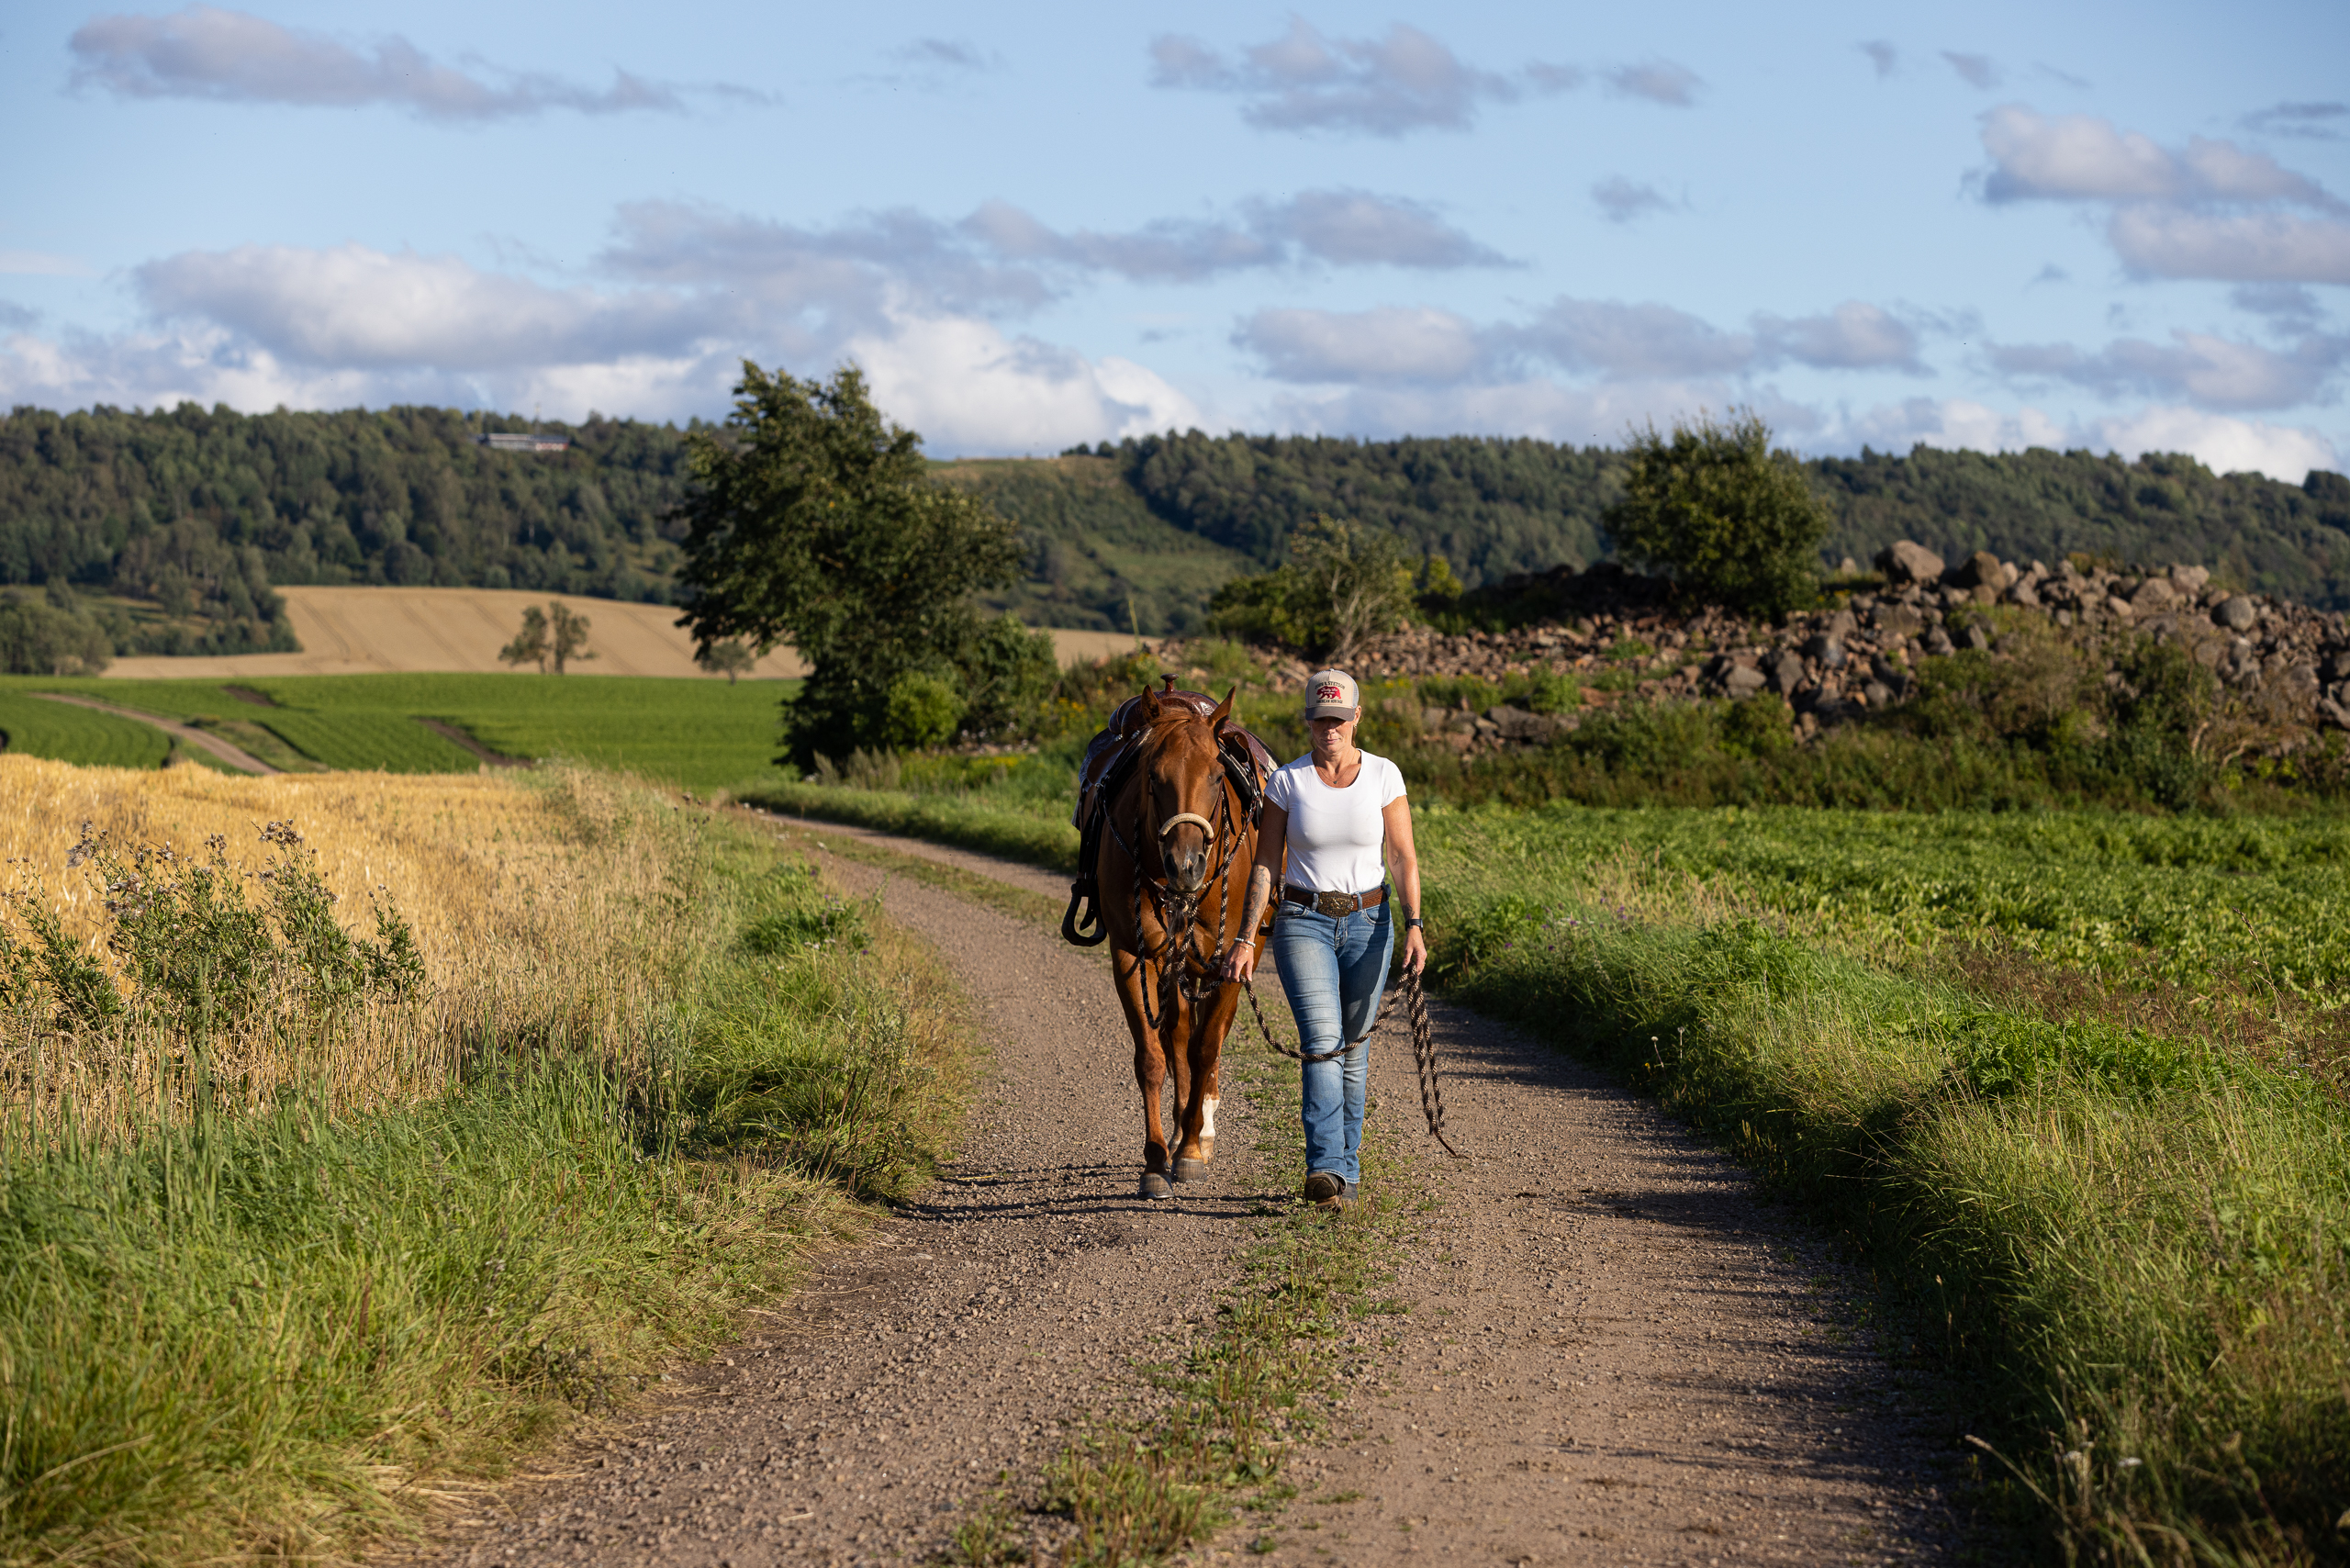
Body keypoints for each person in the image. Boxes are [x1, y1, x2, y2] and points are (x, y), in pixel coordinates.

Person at [1220, 667, 1427, 1209]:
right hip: (1302, 922)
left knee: (1353, 1051)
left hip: (1370, 922)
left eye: (1337, 718)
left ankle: (1347, 1174)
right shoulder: (1287, 781)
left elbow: (1402, 857)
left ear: (1356, 717)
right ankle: (1325, 1168)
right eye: (1319, 718)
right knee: (1322, 1046)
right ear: (1307, 719)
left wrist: (1415, 924)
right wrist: (1245, 938)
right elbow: (1266, 864)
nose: (1328, 728)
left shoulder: (1384, 775)